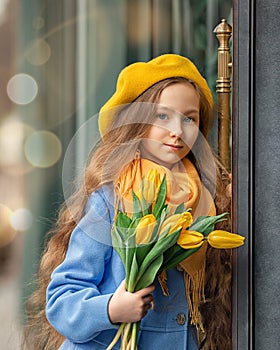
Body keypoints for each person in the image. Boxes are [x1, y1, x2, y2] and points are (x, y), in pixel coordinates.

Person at [24, 54, 232, 350]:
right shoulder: (111, 200)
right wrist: (111, 308)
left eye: (190, 118)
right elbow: (61, 300)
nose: (177, 130)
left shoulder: (204, 203)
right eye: (162, 116)